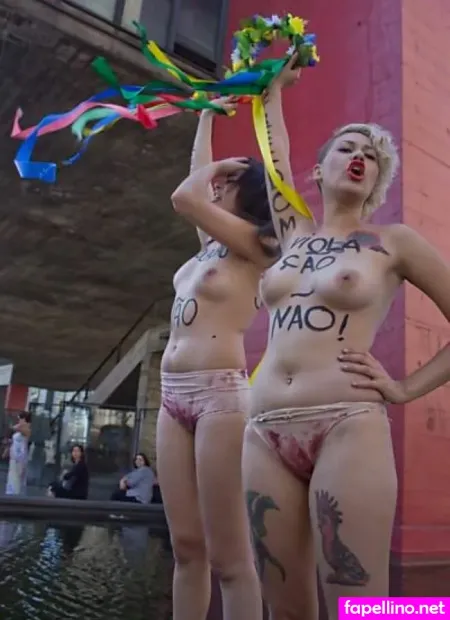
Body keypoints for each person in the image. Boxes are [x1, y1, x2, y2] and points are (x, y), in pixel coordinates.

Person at [241, 56, 450, 620]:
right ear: (319, 168)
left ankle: (435, 611)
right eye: (348, 148)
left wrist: (404, 389)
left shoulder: (393, 242)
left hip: (346, 425)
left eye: (372, 156)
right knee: (284, 610)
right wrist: (273, 87)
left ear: (377, 180)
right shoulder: (293, 234)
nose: (360, 157)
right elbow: (274, 155)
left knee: (361, 609)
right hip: (263, 432)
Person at [157, 96, 278, 620]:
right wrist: (207, 113)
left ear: (246, 192)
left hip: (219, 398)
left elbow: (184, 195)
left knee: (230, 558)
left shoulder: (256, 245)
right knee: (186, 548)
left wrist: (226, 165)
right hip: (171, 396)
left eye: (227, 182)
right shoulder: (210, 243)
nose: (216, 184)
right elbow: (195, 176)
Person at [4, 411, 31, 495]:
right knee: (12, 475)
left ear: (24, 419)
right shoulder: (18, 429)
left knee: (18, 476)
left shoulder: (26, 429)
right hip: (14, 455)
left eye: (20, 419)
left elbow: (19, 430)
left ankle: (16, 493)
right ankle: (10, 492)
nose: (19, 420)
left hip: (20, 457)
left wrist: (14, 426)